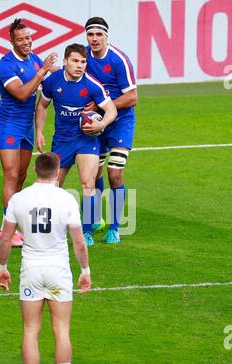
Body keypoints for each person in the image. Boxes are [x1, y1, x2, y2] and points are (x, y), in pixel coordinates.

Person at [0, 152, 91, 364]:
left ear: (37, 170)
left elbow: (6, 238)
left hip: (31, 270)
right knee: (61, 330)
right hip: (58, 270)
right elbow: (79, 242)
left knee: (30, 331)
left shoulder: (19, 199)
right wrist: (85, 271)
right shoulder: (67, 199)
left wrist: (2, 267)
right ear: (57, 169)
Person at [35, 43, 117, 247]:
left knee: (87, 183)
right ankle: (48, 230)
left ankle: (87, 231)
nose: (79, 65)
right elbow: (43, 106)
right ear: (65, 62)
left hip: (86, 140)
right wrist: (39, 131)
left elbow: (112, 110)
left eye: (83, 62)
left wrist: (102, 124)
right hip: (62, 141)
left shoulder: (92, 85)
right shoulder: (53, 81)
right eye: (75, 61)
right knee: (52, 187)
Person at [0, 18, 58, 247]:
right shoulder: (5, 65)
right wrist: (42, 70)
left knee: (20, 176)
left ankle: (6, 225)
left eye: (28, 38)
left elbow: (54, 76)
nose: (26, 42)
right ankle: (8, 231)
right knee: (10, 175)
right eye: (20, 39)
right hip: (7, 125)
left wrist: (74, 69)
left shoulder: (34, 59)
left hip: (26, 126)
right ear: (12, 40)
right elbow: (22, 93)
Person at [84, 17, 138, 244]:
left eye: (99, 35)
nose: (94, 39)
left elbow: (132, 97)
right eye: (90, 35)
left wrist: (102, 106)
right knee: (91, 174)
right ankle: (93, 221)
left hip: (120, 123)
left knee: (115, 173)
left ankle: (114, 227)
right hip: (97, 123)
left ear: (106, 36)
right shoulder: (83, 56)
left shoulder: (118, 60)